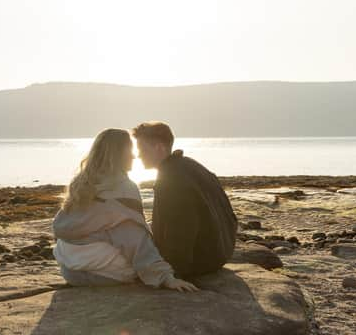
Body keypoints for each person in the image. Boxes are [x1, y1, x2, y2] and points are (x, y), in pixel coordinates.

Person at [52, 128, 198, 292]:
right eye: (130, 150)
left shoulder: (82, 182)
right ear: (119, 154)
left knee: (130, 227)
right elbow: (132, 238)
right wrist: (165, 277)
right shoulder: (122, 188)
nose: (135, 156)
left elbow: (62, 225)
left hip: (69, 270)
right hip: (100, 275)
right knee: (137, 239)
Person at [132, 122, 238, 278]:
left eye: (141, 149)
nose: (138, 155)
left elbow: (182, 229)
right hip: (222, 252)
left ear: (159, 147)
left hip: (201, 262)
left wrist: (172, 273)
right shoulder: (189, 165)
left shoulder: (172, 180)